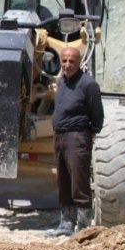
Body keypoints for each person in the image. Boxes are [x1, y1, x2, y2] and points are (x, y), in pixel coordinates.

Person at [50, 46, 104, 236]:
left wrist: (91, 133)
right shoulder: (62, 83)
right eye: (64, 61)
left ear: (79, 62)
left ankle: (83, 227)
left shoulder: (88, 85)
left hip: (77, 137)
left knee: (79, 182)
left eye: (71, 61)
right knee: (63, 181)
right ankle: (66, 224)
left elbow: (98, 114)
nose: (67, 65)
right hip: (60, 137)